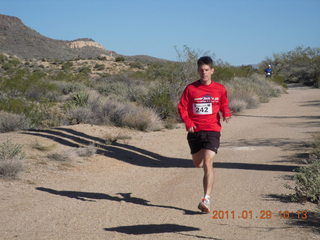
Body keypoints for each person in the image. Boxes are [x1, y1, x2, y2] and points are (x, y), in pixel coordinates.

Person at [177, 56, 232, 213]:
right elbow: (182, 107)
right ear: (197, 71)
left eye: (207, 70)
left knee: (208, 162)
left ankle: (206, 199)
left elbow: (224, 104)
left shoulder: (220, 89)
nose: (204, 73)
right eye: (201, 70)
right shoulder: (190, 89)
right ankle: (205, 194)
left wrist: (226, 113)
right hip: (195, 131)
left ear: (212, 71)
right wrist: (188, 122)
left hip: (212, 130)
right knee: (198, 163)